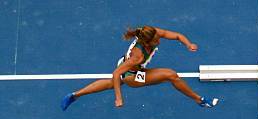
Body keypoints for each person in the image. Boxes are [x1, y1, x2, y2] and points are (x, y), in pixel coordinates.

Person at [61, 25, 219, 110]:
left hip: (124, 63)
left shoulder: (151, 32)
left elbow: (177, 35)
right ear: (146, 43)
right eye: (156, 41)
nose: (159, 41)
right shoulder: (138, 56)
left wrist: (188, 44)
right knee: (172, 75)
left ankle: (74, 95)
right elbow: (117, 74)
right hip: (132, 75)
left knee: (109, 84)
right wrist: (119, 98)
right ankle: (200, 101)